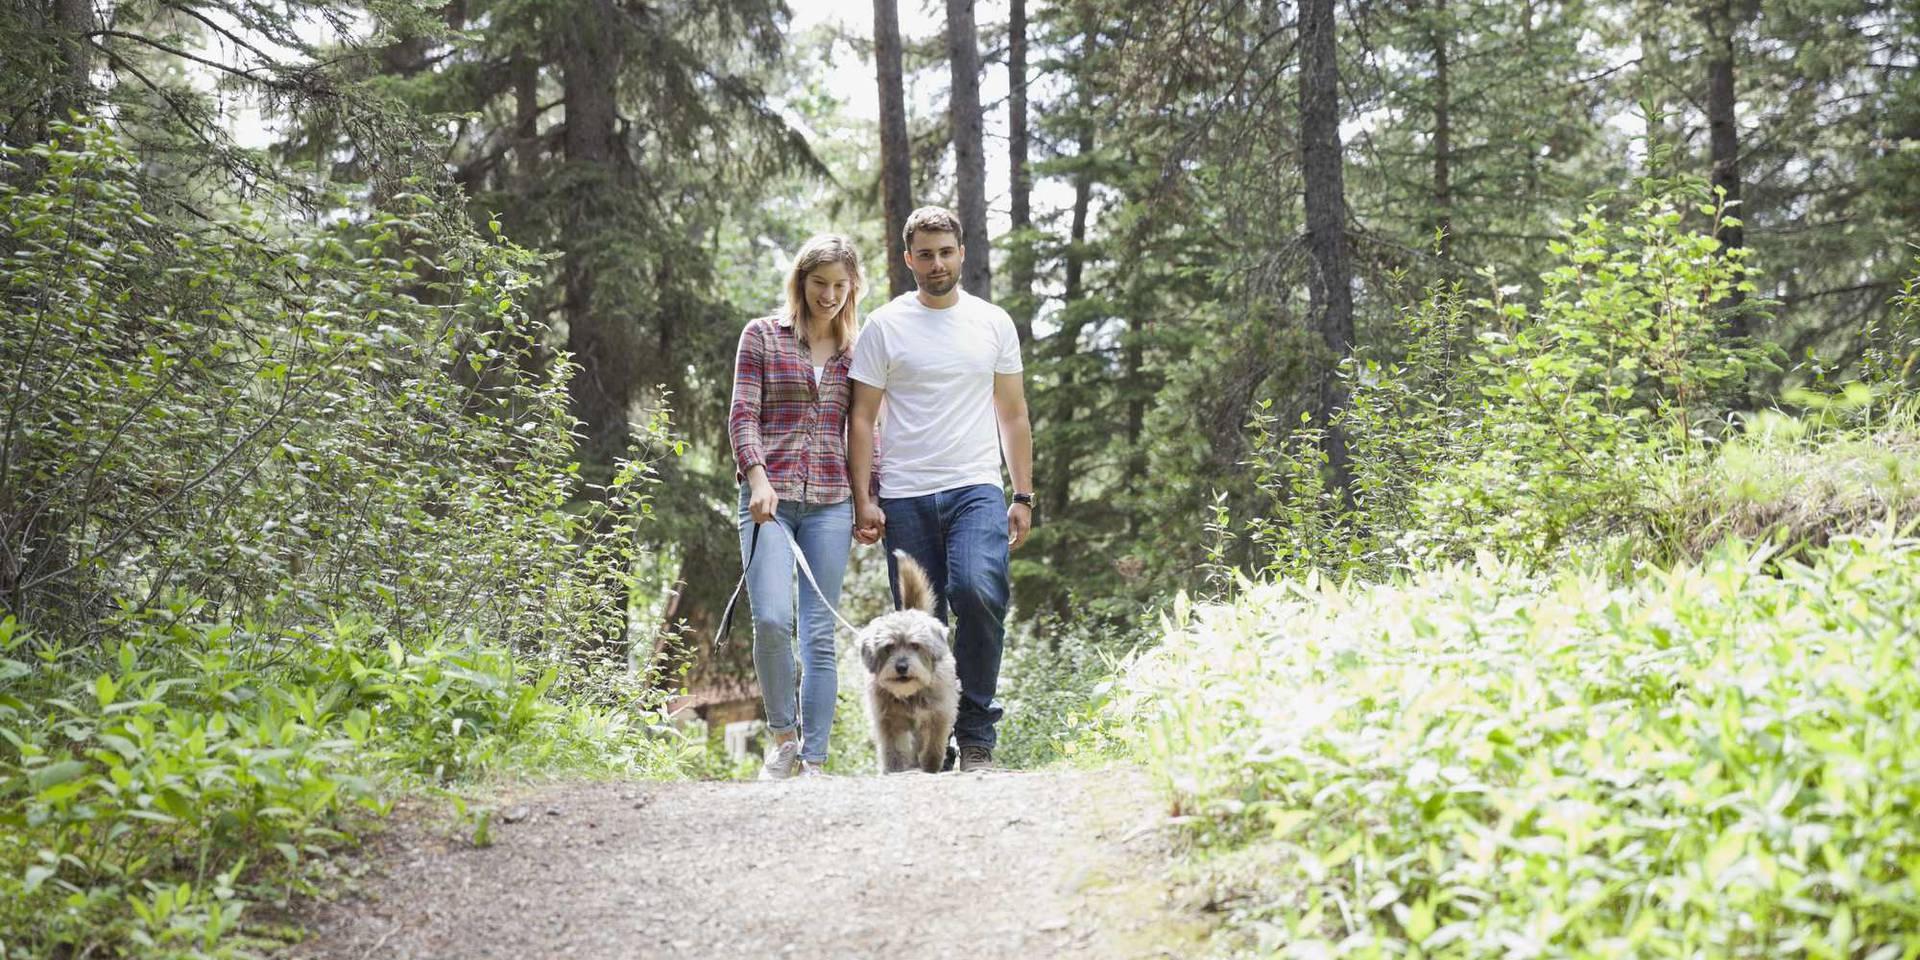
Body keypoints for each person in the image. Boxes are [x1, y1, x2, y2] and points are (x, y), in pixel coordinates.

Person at [848, 206, 1035, 773]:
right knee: (921, 624)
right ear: (909, 260)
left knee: (979, 592)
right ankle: (930, 731)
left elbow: (1013, 415)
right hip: (905, 493)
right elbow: (861, 419)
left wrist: (1022, 493)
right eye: (924, 254)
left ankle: (975, 736)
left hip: (975, 485)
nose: (936, 263)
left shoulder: (993, 322)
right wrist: (865, 498)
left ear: (962, 254)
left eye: (945, 252)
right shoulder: (884, 326)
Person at [728, 234, 865, 780]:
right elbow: (742, 414)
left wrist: (867, 497)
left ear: (852, 287)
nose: (829, 295)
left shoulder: (859, 352)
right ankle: (784, 739)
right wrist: (757, 477)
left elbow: (866, 433)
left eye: (839, 285)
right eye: (819, 284)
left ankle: (815, 760)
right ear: (800, 282)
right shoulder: (762, 337)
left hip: (832, 504)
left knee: (818, 632)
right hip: (769, 502)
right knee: (769, 619)